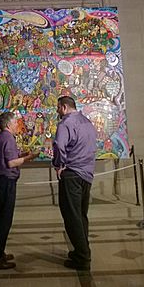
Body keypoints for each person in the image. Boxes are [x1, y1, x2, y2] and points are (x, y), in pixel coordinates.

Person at [0, 111, 38, 270]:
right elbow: (11, 163)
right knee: (4, 221)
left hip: (0, 182)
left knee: (1, 220)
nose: (18, 125)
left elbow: (8, 157)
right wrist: (28, 158)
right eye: (16, 122)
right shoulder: (8, 138)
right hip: (5, 182)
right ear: (9, 124)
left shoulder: (1, 137)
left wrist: (22, 154)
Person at [53, 96, 97, 272]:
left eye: (57, 108)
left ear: (64, 107)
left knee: (72, 216)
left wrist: (58, 165)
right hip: (87, 174)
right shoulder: (87, 122)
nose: (57, 111)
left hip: (72, 173)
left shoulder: (65, 124)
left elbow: (58, 145)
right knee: (81, 215)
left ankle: (82, 257)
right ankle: (81, 249)